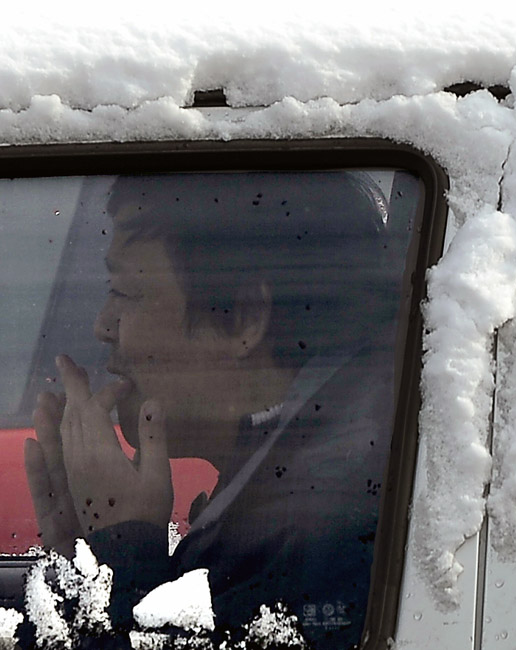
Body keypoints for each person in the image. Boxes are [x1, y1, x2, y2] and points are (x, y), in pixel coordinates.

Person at [23, 171, 405, 647]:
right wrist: (84, 562)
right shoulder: (298, 478)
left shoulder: (318, 526)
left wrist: (123, 552)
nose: (103, 325)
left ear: (244, 317)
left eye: (125, 292)